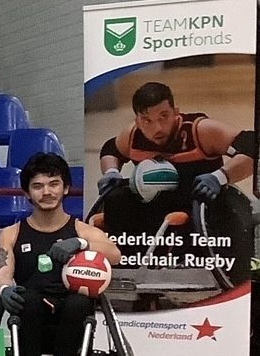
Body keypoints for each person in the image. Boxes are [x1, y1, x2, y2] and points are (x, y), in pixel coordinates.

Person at [96, 81, 255, 280]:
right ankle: (125, 264)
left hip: (201, 203)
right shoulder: (132, 136)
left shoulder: (199, 131)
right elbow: (111, 149)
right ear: (137, 121)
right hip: (156, 204)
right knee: (116, 198)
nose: (158, 127)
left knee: (209, 205)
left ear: (176, 113)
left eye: (164, 116)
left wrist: (220, 176)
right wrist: (111, 171)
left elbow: (252, 146)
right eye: (147, 120)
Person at [0, 153, 121, 356]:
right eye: (38, 186)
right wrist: (4, 289)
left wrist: (81, 244)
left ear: (66, 188)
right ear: (26, 193)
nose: (47, 192)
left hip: (72, 319)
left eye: (54, 184)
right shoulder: (12, 233)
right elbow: (1, 271)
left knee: (79, 301)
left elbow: (115, 254)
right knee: (27, 297)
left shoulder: (82, 230)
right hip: (29, 318)